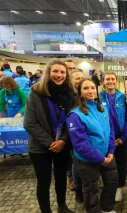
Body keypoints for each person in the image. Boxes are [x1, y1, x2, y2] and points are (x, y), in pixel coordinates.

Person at [23, 59, 75, 213]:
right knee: (43, 181)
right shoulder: (36, 93)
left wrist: (63, 140)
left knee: (61, 178)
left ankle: (62, 206)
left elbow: (73, 121)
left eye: (62, 72)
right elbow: (29, 123)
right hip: (40, 147)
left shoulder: (70, 94)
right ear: (48, 73)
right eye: (55, 71)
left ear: (66, 75)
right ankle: (46, 210)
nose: (59, 75)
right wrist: (51, 142)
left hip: (62, 144)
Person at [66, 78, 118, 213]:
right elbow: (80, 145)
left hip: (107, 155)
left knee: (112, 182)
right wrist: (101, 160)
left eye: (93, 88)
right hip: (87, 160)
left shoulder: (103, 109)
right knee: (91, 190)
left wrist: (111, 150)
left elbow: (110, 131)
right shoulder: (75, 115)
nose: (90, 91)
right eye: (86, 88)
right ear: (80, 93)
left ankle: (106, 208)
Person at [100, 72, 127, 202]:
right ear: (103, 82)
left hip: (121, 137)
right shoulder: (98, 97)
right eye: (108, 79)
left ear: (116, 81)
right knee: (107, 165)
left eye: (113, 79)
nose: (110, 81)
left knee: (121, 164)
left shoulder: (123, 97)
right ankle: (109, 187)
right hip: (106, 138)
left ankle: (120, 187)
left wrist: (124, 137)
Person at [69, 69, 85, 202]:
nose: (79, 81)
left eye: (81, 78)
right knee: (76, 163)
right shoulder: (69, 97)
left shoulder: (84, 94)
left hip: (86, 133)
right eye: (77, 78)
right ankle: (78, 188)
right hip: (73, 134)